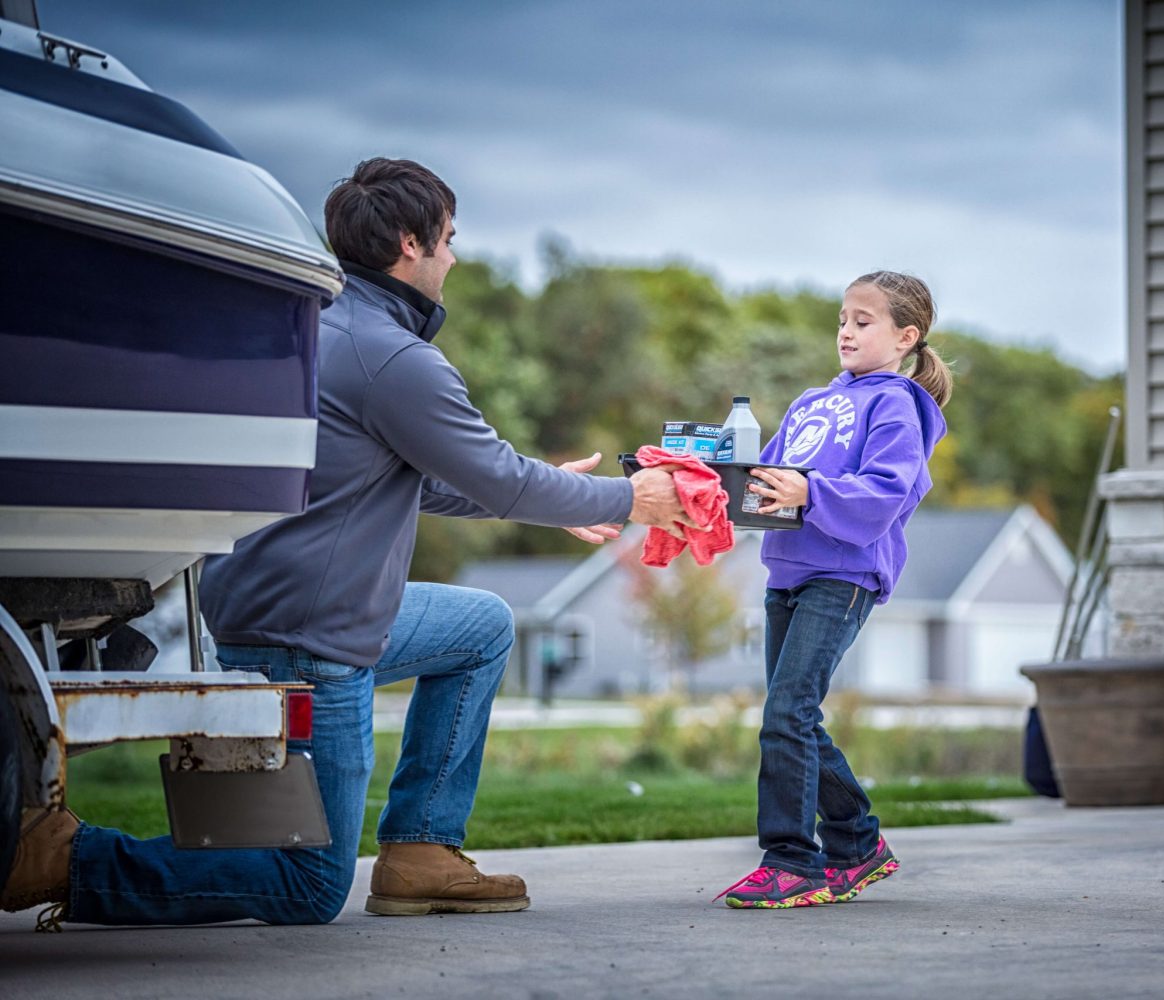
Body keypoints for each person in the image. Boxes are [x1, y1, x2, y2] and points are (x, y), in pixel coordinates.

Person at [0, 157, 689, 928]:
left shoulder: (321, 329)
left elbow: (409, 481)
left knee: (485, 626)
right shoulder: (394, 360)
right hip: (312, 641)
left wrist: (549, 502)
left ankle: (420, 851)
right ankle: (66, 856)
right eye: (449, 240)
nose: (455, 258)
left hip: (286, 616)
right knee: (306, 888)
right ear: (409, 243)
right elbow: (499, 476)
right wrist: (631, 497)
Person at [715, 271, 952, 909]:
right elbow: (762, 484)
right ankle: (857, 843)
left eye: (863, 321)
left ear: (907, 336)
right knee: (794, 717)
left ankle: (793, 860)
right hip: (788, 572)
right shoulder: (810, 401)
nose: (846, 331)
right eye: (842, 319)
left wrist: (811, 491)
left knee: (787, 713)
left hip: (844, 575)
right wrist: (699, 488)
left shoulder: (896, 405)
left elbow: (885, 492)